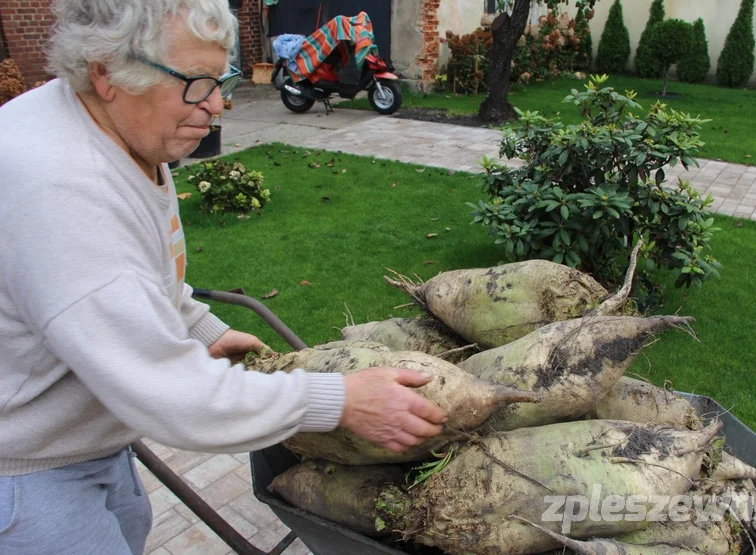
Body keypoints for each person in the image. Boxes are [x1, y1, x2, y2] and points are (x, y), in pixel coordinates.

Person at [0, 1, 447, 553]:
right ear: (105, 70)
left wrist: (199, 327)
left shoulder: (118, 130)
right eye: (195, 83)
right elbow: (170, 396)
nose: (217, 104)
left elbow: (140, 273)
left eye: (220, 78)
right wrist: (342, 401)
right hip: (23, 475)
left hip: (86, 438)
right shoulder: (62, 196)